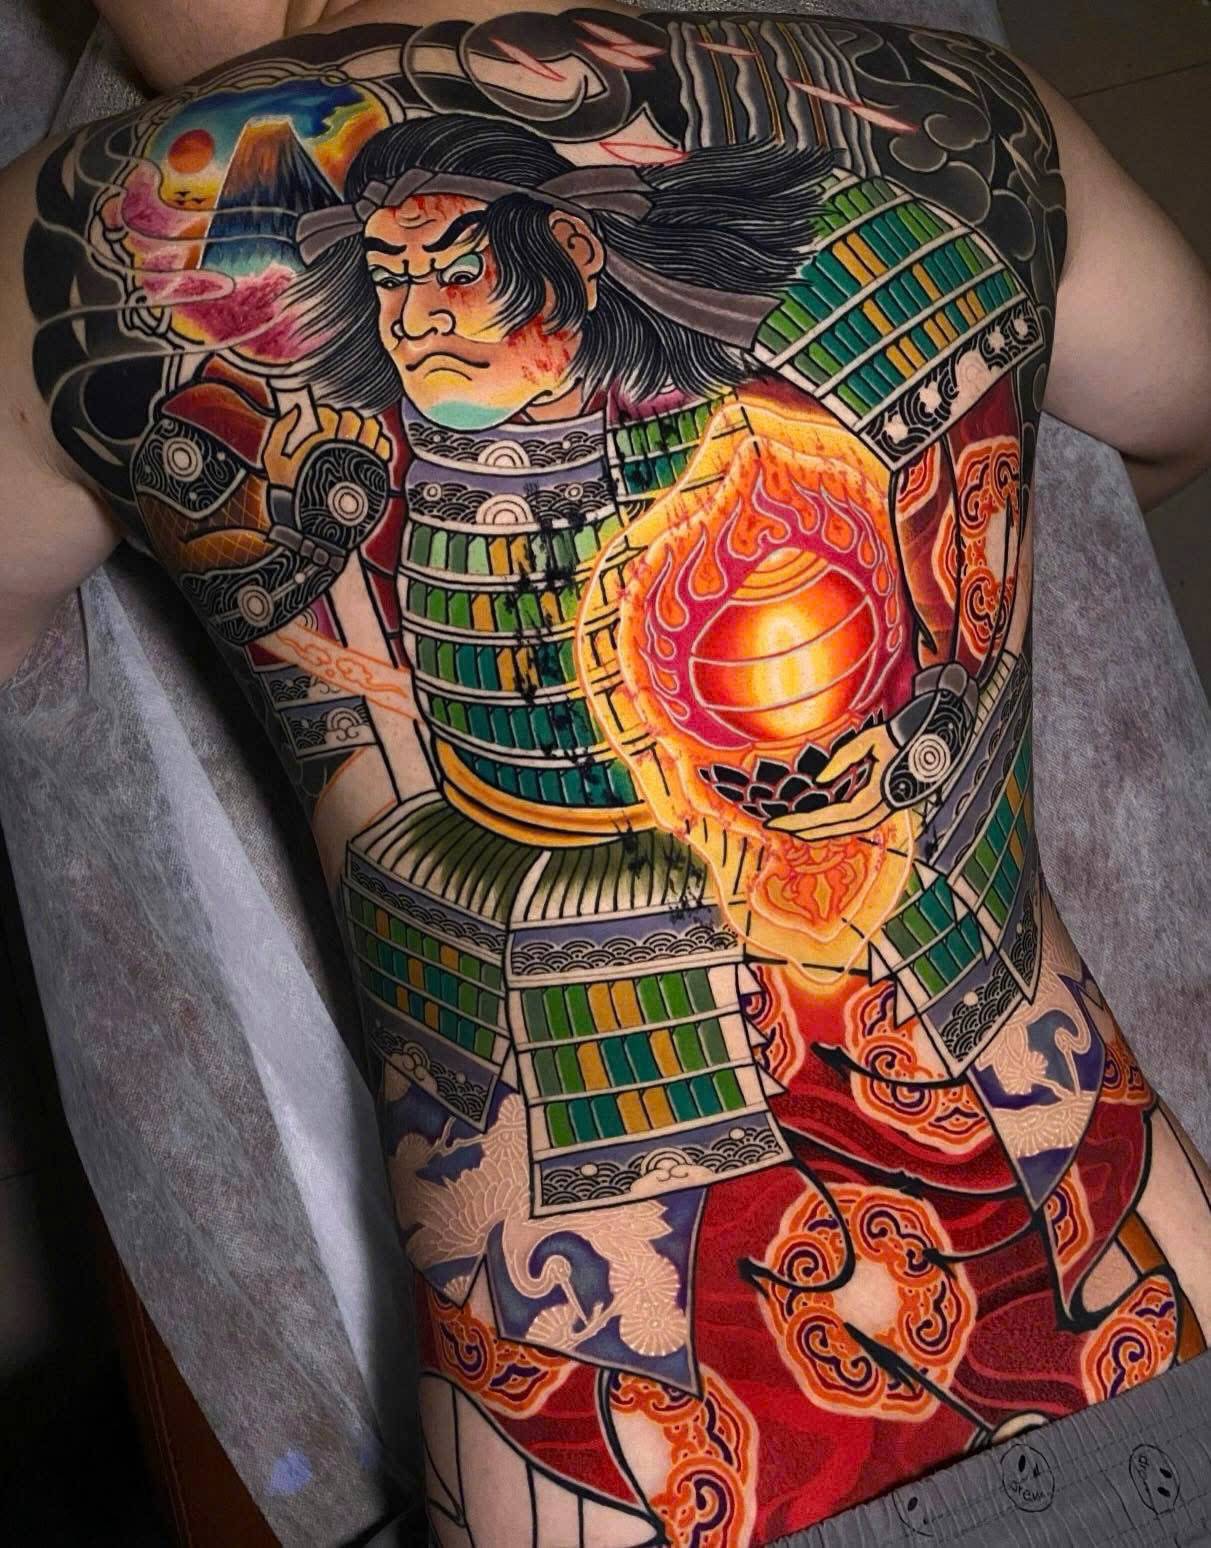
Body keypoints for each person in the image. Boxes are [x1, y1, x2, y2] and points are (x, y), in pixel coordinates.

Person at [3, 2, 1211, 1543]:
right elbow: (1174, 411)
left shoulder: (70, 233)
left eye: (452, 271)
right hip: (1140, 1329)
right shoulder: (971, 108)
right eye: (392, 281)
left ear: (571, 254)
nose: (417, 315)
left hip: (674, 1452)